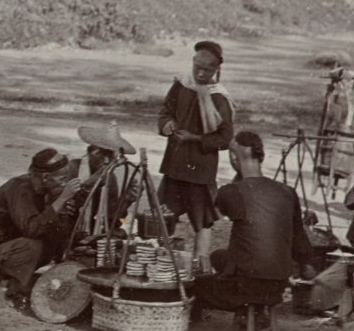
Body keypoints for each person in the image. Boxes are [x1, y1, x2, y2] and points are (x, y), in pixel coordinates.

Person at [192, 131, 315, 328]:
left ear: (233, 157)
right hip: (277, 285)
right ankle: (256, 313)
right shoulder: (288, 192)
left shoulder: (231, 191)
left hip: (246, 285)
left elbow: (207, 220)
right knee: (219, 257)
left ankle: (200, 323)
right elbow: (301, 244)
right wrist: (305, 265)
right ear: (260, 157)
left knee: (197, 283)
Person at [0, 148, 82, 314]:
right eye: (62, 178)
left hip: (4, 248)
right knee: (32, 245)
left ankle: (12, 284)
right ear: (45, 177)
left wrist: (63, 210)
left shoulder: (42, 188)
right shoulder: (21, 188)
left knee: (55, 235)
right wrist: (61, 200)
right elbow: (32, 229)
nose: (64, 183)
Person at [157, 39, 234, 270]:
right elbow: (165, 112)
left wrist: (195, 138)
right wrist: (168, 124)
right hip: (174, 166)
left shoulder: (219, 97)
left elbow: (225, 139)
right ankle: (162, 266)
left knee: (203, 223)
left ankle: (200, 270)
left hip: (200, 171)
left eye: (207, 70)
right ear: (192, 62)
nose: (201, 73)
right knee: (163, 217)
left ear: (216, 69)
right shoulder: (181, 86)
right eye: (197, 67)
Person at [70, 121, 138, 236]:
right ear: (91, 152)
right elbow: (69, 207)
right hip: (69, 230)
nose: (106, 160)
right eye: (101, 154)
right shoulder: (72, 168)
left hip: (92, 232)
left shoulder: (110, 178)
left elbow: (112, 222)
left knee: (121, 233)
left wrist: (126, 200)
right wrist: (95, 179)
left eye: (110, 155)